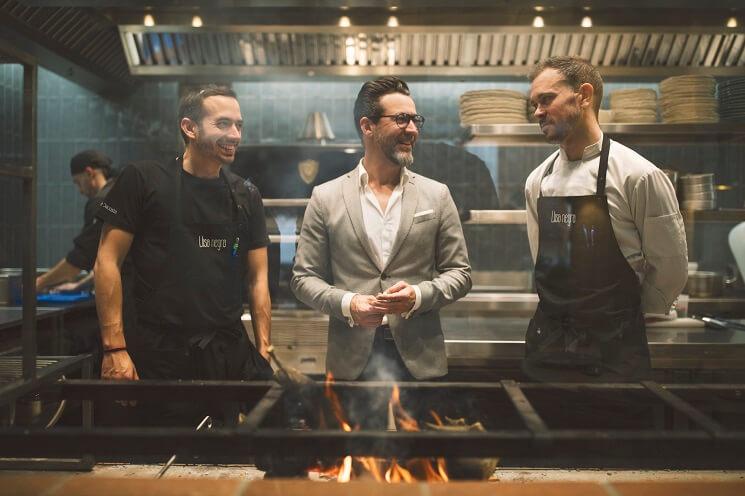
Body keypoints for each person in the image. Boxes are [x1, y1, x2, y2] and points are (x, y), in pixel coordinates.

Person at [291, 76, 471, 428]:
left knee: (424, 468)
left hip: (420, 358)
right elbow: (302, 279)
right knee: (356, 466)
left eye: (415, 119)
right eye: (400, 119)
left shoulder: (437, 195)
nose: (412, 129)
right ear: (367, 126)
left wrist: (419, 295)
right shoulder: (326, 197)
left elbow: (460, 273)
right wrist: (348, 304)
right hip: (351, 360)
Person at [94, 84, 273, 426]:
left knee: (227, 463)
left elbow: (258, 277)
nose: (234, 134)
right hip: (160, 354)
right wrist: (114, 349)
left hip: (226, 352)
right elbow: (107, 261)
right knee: (159, 463)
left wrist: (264, 347)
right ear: (189, 128)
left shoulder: (245, 194)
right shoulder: (144, 180)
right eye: (223, 124)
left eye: (239, 125)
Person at [524, 56, 688, 382]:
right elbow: (541, 258)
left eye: (546, 99)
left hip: (614, 352)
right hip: (548, 348)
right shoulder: (537, 181)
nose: (538, 112)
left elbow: (670, 265)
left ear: (584, 95)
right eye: (535, 104)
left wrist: (628, 317)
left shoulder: (638, 175)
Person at [36, 150, 116, 292]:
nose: (80, 190)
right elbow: (110, 259)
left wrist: (40, 282)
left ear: (89, 173)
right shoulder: (116, 194)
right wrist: (78, 286)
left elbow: (81, 257)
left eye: (78, 182)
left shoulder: (101, 202)